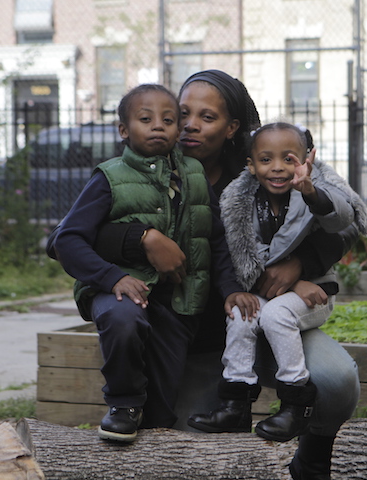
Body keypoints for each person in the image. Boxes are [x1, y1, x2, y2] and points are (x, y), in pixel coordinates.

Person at [48, 70, 364, 479]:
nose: (190, 125)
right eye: (183, 113)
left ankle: (313, 458)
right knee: (187, 453)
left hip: (263, 318)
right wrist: (142, 238)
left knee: (336, 380)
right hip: (188, 340)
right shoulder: (142, 164)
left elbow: (348, 219)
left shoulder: (265, 162)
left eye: (208, 117)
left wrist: (302, 263)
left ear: (233, 128)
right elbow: (64, 237)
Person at [51, 83, 259, 442]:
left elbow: (215, 239)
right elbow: (67, 239)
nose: (158, 126)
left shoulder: (193, 174)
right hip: (116, 287)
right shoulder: (109, 176)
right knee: (123, 319)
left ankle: (153, 438)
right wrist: (111, 277)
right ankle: (123, 404)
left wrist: (230, 290)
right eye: (145, 119)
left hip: (176, 302)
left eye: (168, 119)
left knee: (163, 409)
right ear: (123, 130)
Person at [187, 122, 367, 445]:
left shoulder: (311, 190)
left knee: (276, 316)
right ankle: (236, 402)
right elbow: (240, 253)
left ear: (306, 160)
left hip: (314, 293)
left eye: (289, 159)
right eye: (266, 160)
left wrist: (311, 190)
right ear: (251, 164)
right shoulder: (240, 199)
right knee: (242, 316)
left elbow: (342, 219)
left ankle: (296, 403)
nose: (278, 168)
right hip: (266, 291)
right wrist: (286, 284)